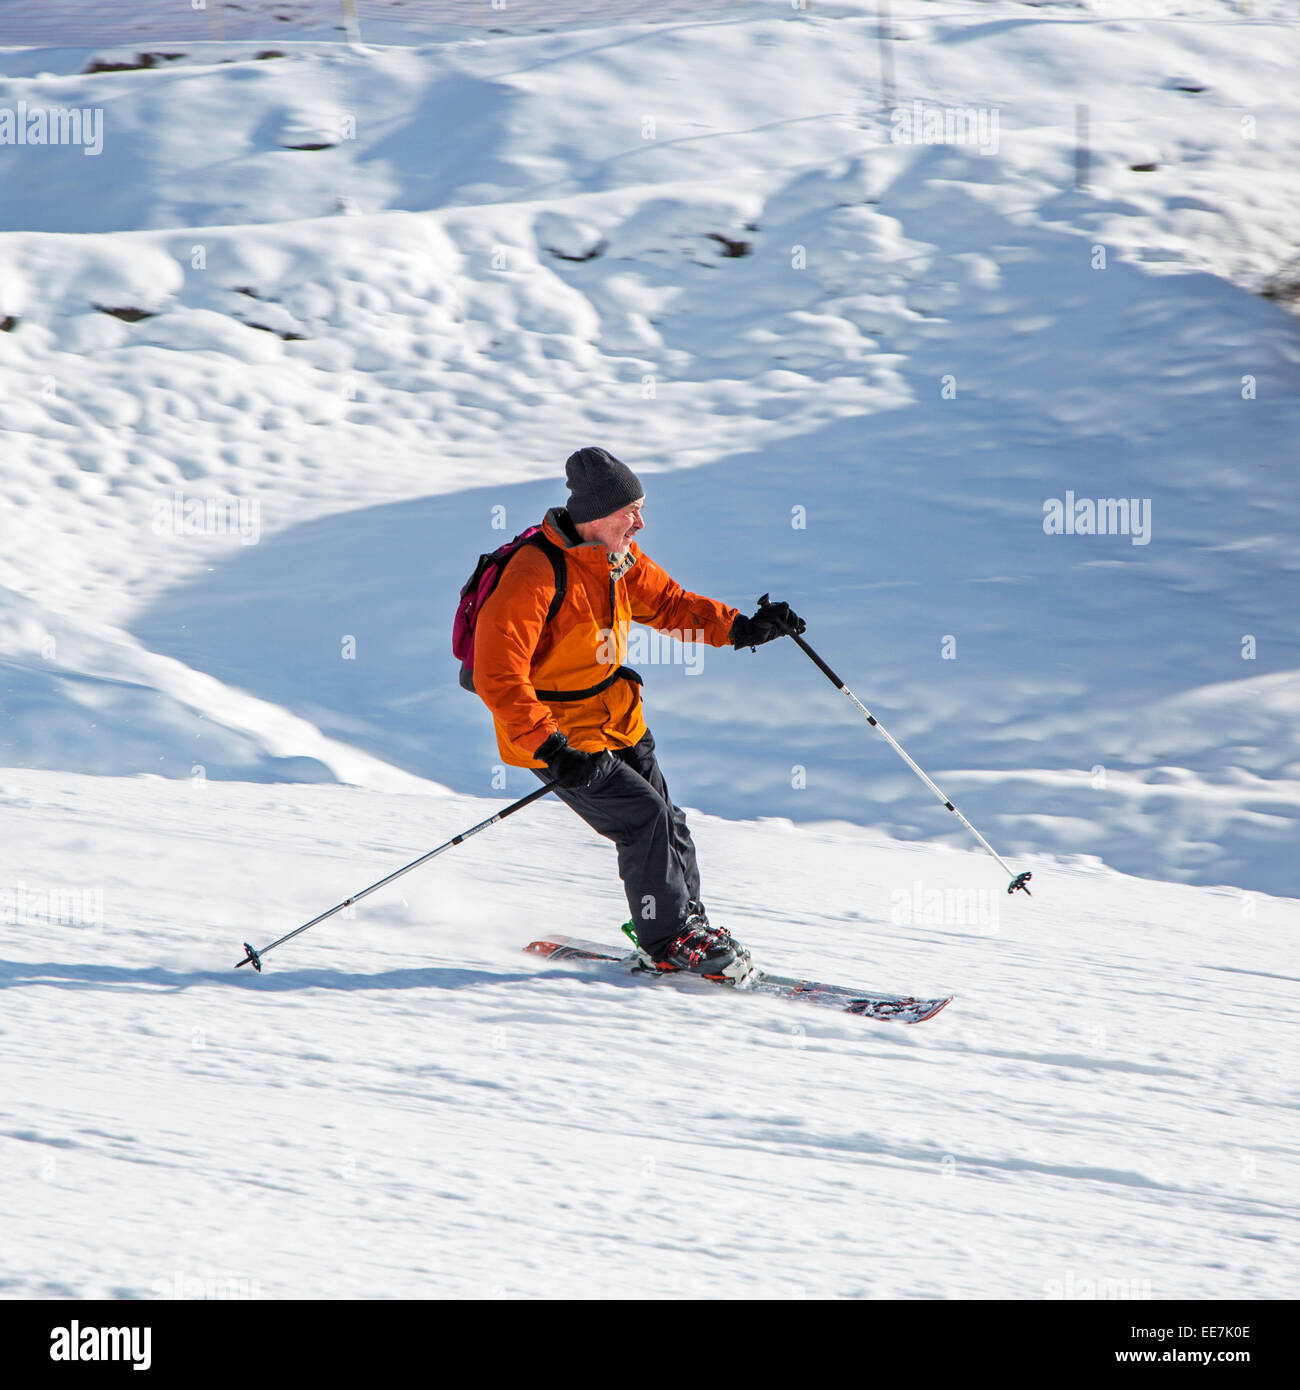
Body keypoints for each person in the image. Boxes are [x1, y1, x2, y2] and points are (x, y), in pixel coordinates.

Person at [472, 446, 804, 982]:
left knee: (668, 822)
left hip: (616, 717)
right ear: (600, 515)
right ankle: (666, 939)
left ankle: (686, 927)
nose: (641, 523)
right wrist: (551, 747)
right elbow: (498, 674)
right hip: (557, 737)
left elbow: (671, 605)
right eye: (633, 512)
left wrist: (740, 628)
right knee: (642, 819)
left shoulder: (616, 560)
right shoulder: (533, 573)